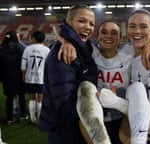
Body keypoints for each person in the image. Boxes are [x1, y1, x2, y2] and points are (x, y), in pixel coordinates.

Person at [99, 9, 150, 144]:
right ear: (126, 30)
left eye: (143, 26)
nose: (137, 31)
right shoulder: (128, 50)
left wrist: (115, 102)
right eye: (132, 26)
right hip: (132, 129)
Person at [38, 5, 101, 144]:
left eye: (92, 24)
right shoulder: (63, 53)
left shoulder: (83, 47)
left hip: (76, 125)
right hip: (67, 130)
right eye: (82, 21)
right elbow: (64, 103)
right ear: (69, 21)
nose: (88, 27)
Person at [21, 30, 50, 123]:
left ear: (33, 38)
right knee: (40, 100)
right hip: (42, 78)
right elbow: (49, 66)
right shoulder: (47, 50)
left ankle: (32, 118)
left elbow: (23, 64)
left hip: (30, 77)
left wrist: (23, 75)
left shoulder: (27, 49)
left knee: (32, 98)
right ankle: (40, 118)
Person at [0, 30, 28, 125]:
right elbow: (24, 63)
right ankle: (23, 115)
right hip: (19, 76)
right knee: (21, 96)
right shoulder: (21, 48)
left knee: (9, 98)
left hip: (7, 77)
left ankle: (10, 118)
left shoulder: (1, 49)